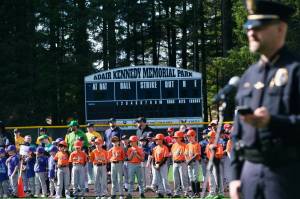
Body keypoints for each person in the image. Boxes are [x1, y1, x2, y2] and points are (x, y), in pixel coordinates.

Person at [229, 1, 299, 199]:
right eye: (248, 27)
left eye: (259, 27)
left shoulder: (295, 71)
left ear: (280, 28)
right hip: (249, 174)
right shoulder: (248, 76)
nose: (251, 32)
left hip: (286, 173)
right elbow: (237, 134)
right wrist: (235, 176)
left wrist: (273, 122)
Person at [205, 131, 224, 199]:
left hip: (216, 163)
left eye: (209, 137)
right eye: (208, 137)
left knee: (217, 178)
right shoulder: (207, 145)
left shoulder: (218, 145)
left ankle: (221, 193)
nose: (208, 139)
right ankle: (212, 193)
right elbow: (207, 155)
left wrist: (214, 152)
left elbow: (220, 155)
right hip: (210, 163)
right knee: (211, 179)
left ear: (214, 138)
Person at [152, 134, 172, 198]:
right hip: (156, 165)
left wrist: (159, 165)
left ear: (161, 140)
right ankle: (160, 193)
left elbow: (165, 158)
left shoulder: (165, 147)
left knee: (164, 179)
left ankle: (168, 192)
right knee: (158, 179)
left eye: (157, 139)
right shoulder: (155, 148)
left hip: (163, 164)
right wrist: (154, 165)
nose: (156, 140)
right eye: (156, 139)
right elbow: (153, 158)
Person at [171, 131, 189, 197]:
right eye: (174, 137)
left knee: (183, 178)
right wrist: (173, 162)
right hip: (175, 163)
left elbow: (186, 155)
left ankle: (186, 192)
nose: (175, 138)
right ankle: (176, 193)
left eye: (176, 137)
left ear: (181, 138)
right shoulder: (173, 145)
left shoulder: (185, 145)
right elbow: (173, 155)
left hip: (182, 163)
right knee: (175, 179)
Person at [185, 129, 201, 197]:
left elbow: (197, 155)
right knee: (191, 177)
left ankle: (197, 193)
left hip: (195, 162)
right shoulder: (188, 145)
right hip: (189, 163)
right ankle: (193, 192)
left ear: (193, 136)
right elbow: (185, 154)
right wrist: (187, 160)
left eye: (189, 136)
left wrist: (189, 161)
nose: (188, 137)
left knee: (195, 177)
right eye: (187, 136)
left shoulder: (197, 144)